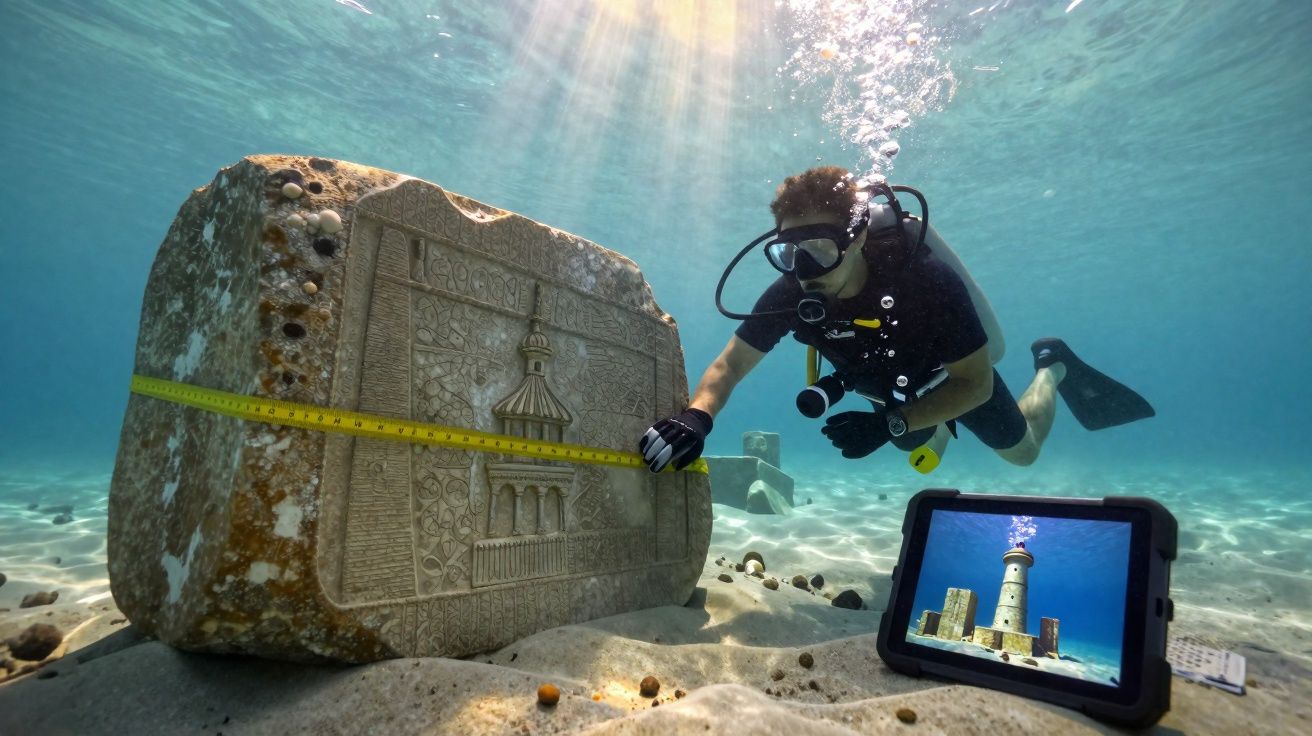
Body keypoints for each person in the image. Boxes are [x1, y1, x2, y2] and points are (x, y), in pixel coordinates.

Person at [638, 166, 1152, 473]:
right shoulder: (790, 291)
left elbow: (973, 383)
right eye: (788, 251)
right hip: (887, 391)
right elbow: (730, 366)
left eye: (817, 248)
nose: (803, 269)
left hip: (950, 379)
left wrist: (890, 421)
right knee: (909, 441)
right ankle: (930, 430)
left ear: (857, 237)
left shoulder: (925, 284)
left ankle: (1050, 365)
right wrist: (696, 417)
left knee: (1024, 455)